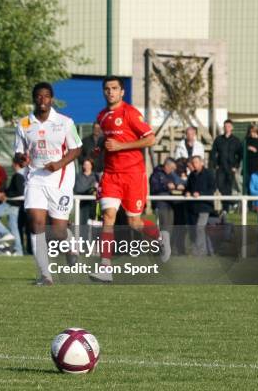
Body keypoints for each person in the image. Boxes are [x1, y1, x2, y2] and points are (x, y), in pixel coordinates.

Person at [90, 76, 169, 282]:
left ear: (122, 92)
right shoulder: (101, 116)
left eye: (114, 88)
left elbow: (151, 139)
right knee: (108, 217)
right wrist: (97, 150)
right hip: (111, 175)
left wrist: (120, 146)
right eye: (107, 88)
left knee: (134, 222)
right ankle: (105, 268)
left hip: (133, 175)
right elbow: (106, 140)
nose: (110, 92)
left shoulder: (130, 113)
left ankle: (160, 238)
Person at [14, 82, 82, 285]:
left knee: (59, 231)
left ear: (51, 99)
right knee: (37, 224)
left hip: (60, 180)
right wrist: (21, 159)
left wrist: (59, 164)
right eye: (38, 96)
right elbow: (19, 151)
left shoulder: (65, 122)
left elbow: (76, 148)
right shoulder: (24, 124)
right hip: (35, 178)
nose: (42, 100)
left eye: (46, 96)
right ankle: (45, 275)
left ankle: (71, 246)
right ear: (34, 98)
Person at [0, 153, 27, 256]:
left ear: (15, 164)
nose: (12, 165)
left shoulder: (18, 175)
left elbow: (19, 192)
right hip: (15, 206)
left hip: (11, 205)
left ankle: (5, 233)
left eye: (13, 163)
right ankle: (18, 251)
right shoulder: (23, 174)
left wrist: (5, 195)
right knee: (14, 228)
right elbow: (14, 191)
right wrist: (4, 193)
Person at [149, 158, 182, 253]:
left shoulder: (171, 175)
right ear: (166, 166)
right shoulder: (155, 175)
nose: (172, 171)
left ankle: (167, 248)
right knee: (162, 228)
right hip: (160, 204)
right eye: (171, 168)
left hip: (170, 204)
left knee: (169, 227)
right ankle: (158, 249)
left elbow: (178, 182)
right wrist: (166, 186)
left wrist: (178, 185)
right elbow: (154, 188)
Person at [185, 156, 216, 256]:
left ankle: (201, 252)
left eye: (196, 162)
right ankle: (199, 251)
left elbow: (212, 190)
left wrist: (201, 194)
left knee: (200, 228)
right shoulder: (191, 175)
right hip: (193, 207)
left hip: (205, 206)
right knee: (195, 229)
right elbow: (187, 188)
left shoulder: (209, 174)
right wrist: (187, 193)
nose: (194, 165)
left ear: (202, 163)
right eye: (193, 163)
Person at [210, 119, 242, 213]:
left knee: (228, 188)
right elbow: (213, 153)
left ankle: (225, 209)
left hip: (231, 168)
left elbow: (240, 155)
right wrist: (215, 164)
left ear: (232, 128)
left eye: (228, 126)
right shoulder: (218, 139)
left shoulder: (236, 140)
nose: (226, 128)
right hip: (220, 167)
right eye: (225, 126)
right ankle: (231, 202)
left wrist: (236, 166)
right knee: (220, 186)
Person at [73, 158, 99, 227]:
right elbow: (77, 189)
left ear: (91, 166)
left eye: (88, 164)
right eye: (85, 164)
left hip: (93, 204)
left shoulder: (96, 176)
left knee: (94, 224)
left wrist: (94, 190)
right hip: (81, 204)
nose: (86, 166)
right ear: (83, 166)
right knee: (82, 223)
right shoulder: (78, 176)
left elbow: (99, 188)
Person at [243, 124, 258, 194]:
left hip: (257, 166)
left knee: (256, 184)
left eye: (254, 132)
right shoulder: (247, 140)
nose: (253, 134)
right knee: (248, 185)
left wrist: (254, 147)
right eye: (251, 132)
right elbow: (243, 148)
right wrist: (248, 148)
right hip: (248, 166)